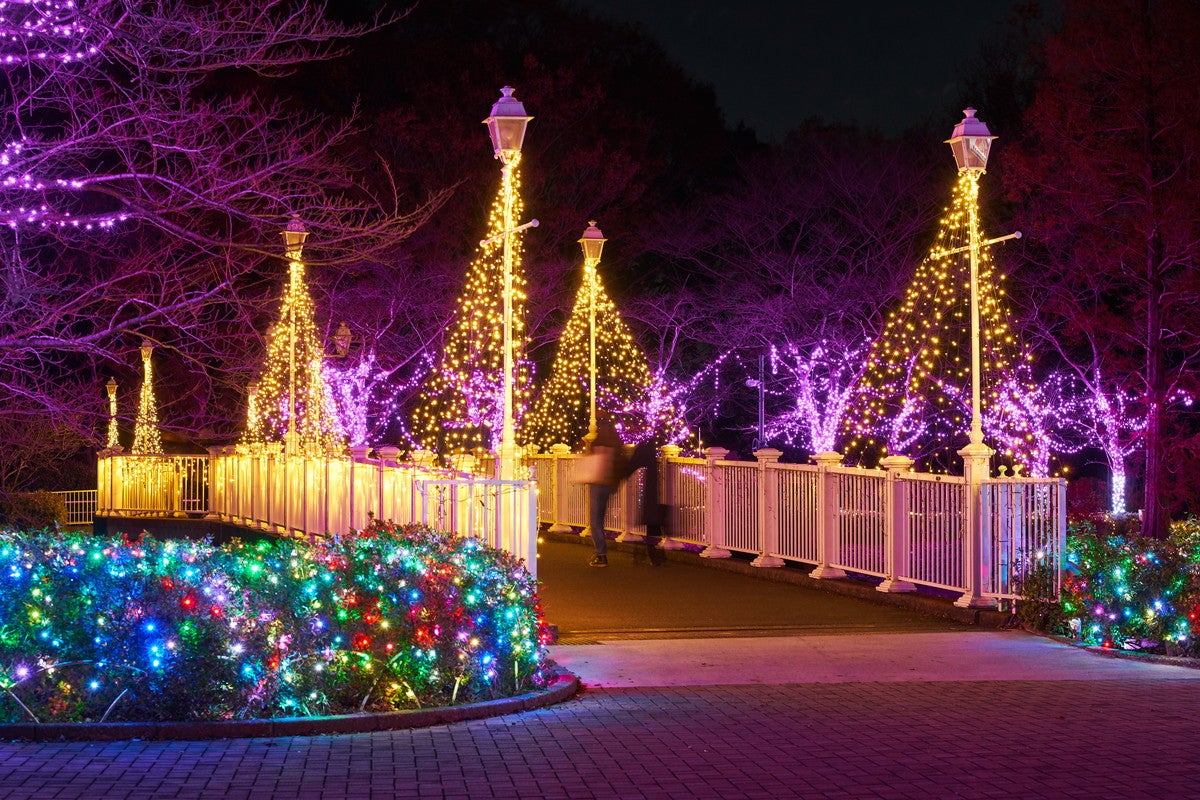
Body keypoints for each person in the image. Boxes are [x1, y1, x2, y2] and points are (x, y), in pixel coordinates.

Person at [583, 414, 625, 568]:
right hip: (609, 486)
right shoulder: (615, 444)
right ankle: (600, 552)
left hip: (597, 484)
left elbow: (589, 461)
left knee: (595, 521)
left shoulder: (597, 443)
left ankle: (601, 555)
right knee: (600, 518)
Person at [627, 437, 667, 566]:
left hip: (653, 500)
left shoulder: (646, 457)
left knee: (652, 522)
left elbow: (631, 466)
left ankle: (654, 556)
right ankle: (655, 556)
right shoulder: (654, 463)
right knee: (654, 524)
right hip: (658, 498)